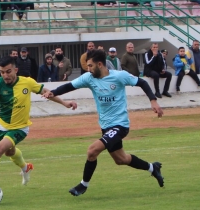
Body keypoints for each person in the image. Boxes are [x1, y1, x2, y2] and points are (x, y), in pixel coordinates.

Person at [43, 49, 164, 196]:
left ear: (100, 64)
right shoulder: (89, 77)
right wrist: (53, 93)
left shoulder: (119, 76)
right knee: (121, 159)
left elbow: (142, 82)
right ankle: (153, 168)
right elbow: (69, 86)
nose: (88, 69)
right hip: (105, 126)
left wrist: (153, 101)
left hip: (120, 125)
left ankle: (83, 185)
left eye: (90, 66)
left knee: (92, 151)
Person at [0, 57, 78, 192]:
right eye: (2, 72)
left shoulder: (27, 82)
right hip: (2, 126)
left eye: (8, 72)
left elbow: (46, 92)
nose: (5, 75)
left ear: (16, 70)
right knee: (10, 152)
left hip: (20, 128)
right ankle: (26, 167)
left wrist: (65, 103)